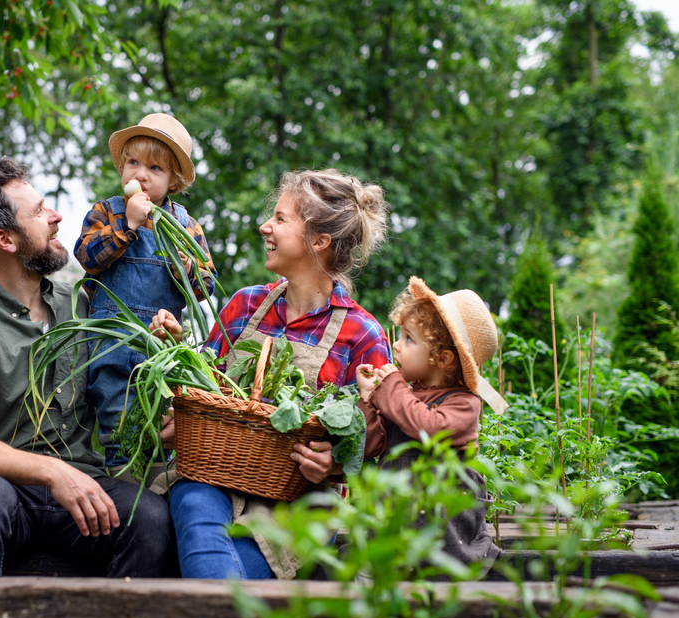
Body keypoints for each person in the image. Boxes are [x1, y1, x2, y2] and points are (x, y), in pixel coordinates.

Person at [0, 156, 176, 577]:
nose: (57, 216)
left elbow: (120, 386)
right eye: (40, 211)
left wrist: (161, 354)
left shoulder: (81, 306)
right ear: (6, 240)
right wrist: (52, 472)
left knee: (151, 517)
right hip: (13, 493)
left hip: (83, 495)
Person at [154, 168, 392, 580]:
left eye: (280, 219)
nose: (264, 226)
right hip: (215, 474)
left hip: (296, 501)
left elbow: (376, 444)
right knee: (196, 508)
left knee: (224, 569)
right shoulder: (244, 306)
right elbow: (205, 389)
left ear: (318, 241)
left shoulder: (362, 334)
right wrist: (178, 360)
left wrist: (334, 462)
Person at [74, 113, 216, 467]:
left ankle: (157, 482)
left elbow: (206, 286)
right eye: (133, 163)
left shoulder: (187, 226)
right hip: (112, 344)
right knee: (118, 427)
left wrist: (186, 268)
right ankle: (123, 480)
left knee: (161, 425)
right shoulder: (106, 212)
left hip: (161, 347)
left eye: (154, 168)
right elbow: (86, 257)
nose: (140, 174)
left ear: (173, 182)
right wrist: (128, 224)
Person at [355, 276, 508, 564]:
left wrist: (391, 389)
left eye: (409, 339)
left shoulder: (464, 403)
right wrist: (367, 399)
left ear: (443, 358)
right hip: (396, 511)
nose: (396, 346)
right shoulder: (404, 395)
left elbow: (430, 428)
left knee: (436, 562)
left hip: (442, 522)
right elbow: (371, 446)